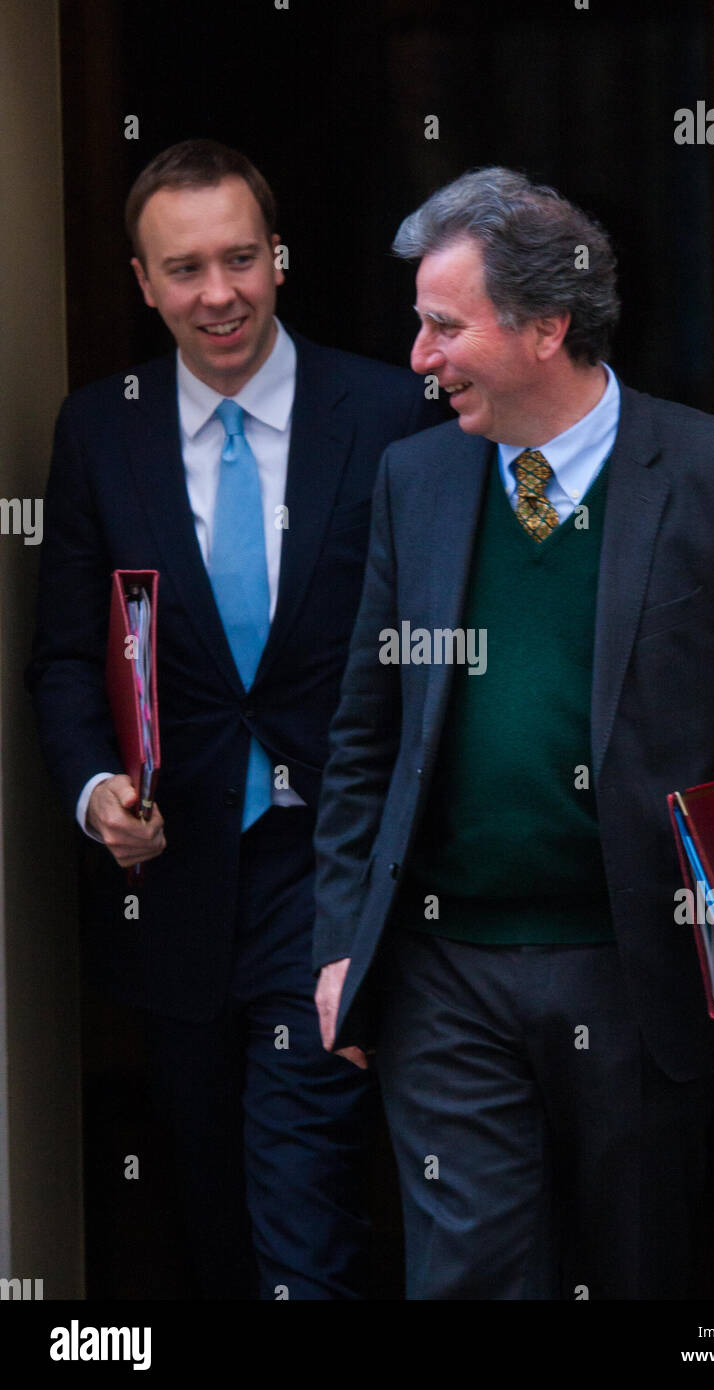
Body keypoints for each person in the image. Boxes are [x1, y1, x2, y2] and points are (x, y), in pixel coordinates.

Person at [313, 168, 714, 1300]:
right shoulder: (411, 481)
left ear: (545, 325)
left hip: (641, 978)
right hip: (444, 973)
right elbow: (365, 736)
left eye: (441, 326)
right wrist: (339, 941)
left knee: (642, 1274)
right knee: (470, 1277)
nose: (416, 357)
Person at [27, 139, 442, 1300]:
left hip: (336, 868)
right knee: (210, 1205)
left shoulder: (392, 412)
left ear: (279, 257)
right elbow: (64, 656)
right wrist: (94, 788)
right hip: (177, 878)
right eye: (185, 268)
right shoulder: (99, 430)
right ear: (140, 280)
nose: (218, 294)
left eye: (240, 258)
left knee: (304, 1209)